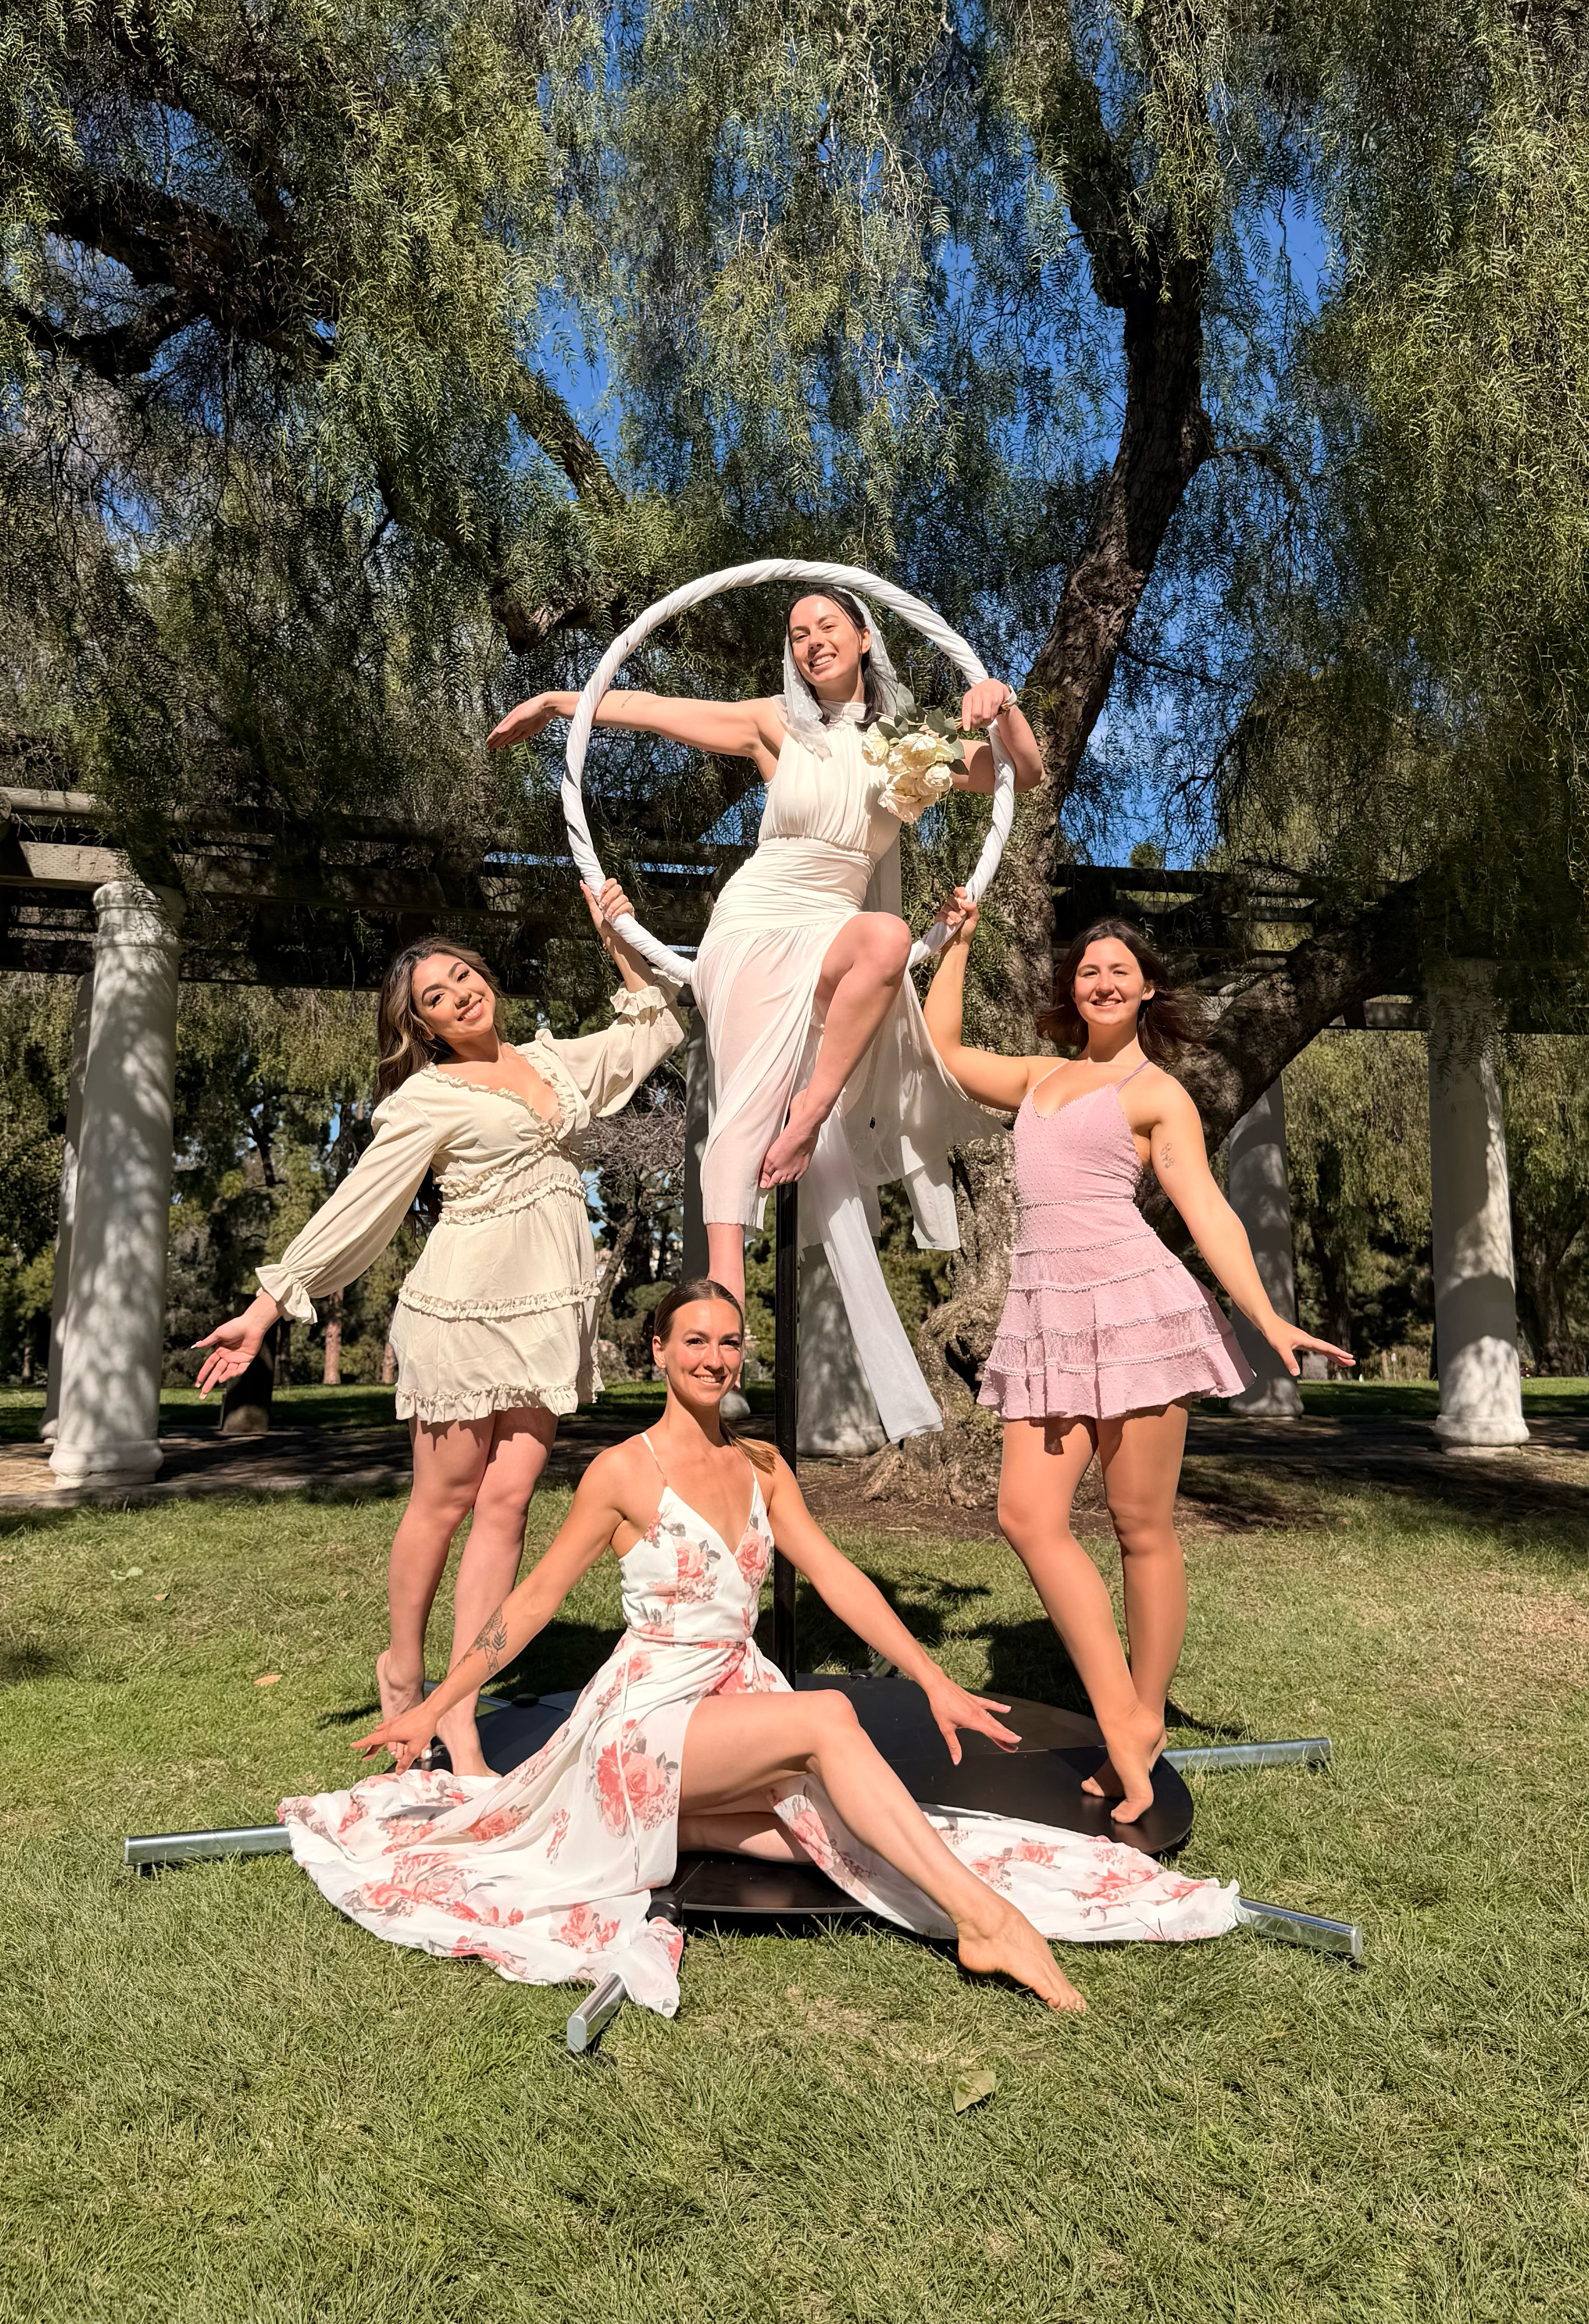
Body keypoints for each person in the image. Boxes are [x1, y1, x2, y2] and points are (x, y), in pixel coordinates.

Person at [283, 1279, 1240, 2019]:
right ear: (658, 1351)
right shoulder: (622, 1473)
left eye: (728, 1342)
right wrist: (433, 1702)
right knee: (828, 1723)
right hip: (648, 1715)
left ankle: (663, 1829)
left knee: (831, 1847)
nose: (715, 1357)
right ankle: (988, 1924)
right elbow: (529, 1604)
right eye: (694, 1340)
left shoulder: (760, 1466)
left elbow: (840, 1578)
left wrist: (935, 1677)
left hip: (734, 1700)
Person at [486, 589, 1046, 1441]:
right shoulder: (772, 726)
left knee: (888, 941)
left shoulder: (912, 749)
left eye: (827, 627)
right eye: (796, 634)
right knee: (739, 1114)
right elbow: (655, 711)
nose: (811, 641)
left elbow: (1024, 774)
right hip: (753, 924)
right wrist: (568, 701)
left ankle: (811, 1111)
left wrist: (1000, 704)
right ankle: (720, 1328)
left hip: (835, 923)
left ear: (865, 639)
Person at [194, 882, 684, 1777]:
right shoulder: (425, 1098)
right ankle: (403, 1674)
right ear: (423, 1027)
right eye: (436, 997)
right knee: (446, 1502)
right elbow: (360, 1208)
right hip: (463, 1315)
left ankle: (458, 1711)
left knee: (506, 1510)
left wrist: (614, 930)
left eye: (464, 976)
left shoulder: (557, 1064)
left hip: (544, 1315)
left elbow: (654, 1024)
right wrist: (271, 1305)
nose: (460, 993)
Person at [924, 903, 1353, 1822]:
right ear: (1071, 992)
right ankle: (1121, 1717)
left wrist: (1267, 1317)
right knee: (1027, 1515)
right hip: (1046, 1313)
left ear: (1147, 988)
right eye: (1087, 971)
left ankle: (1143, 1718)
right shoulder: (1039, 1076)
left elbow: (1204, 1206)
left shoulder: (1159, 1093)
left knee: (1138, 1526)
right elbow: (944, 1050)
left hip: (1136, 1309)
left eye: (1120, 970)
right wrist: (957, 938)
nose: (1103, 981)